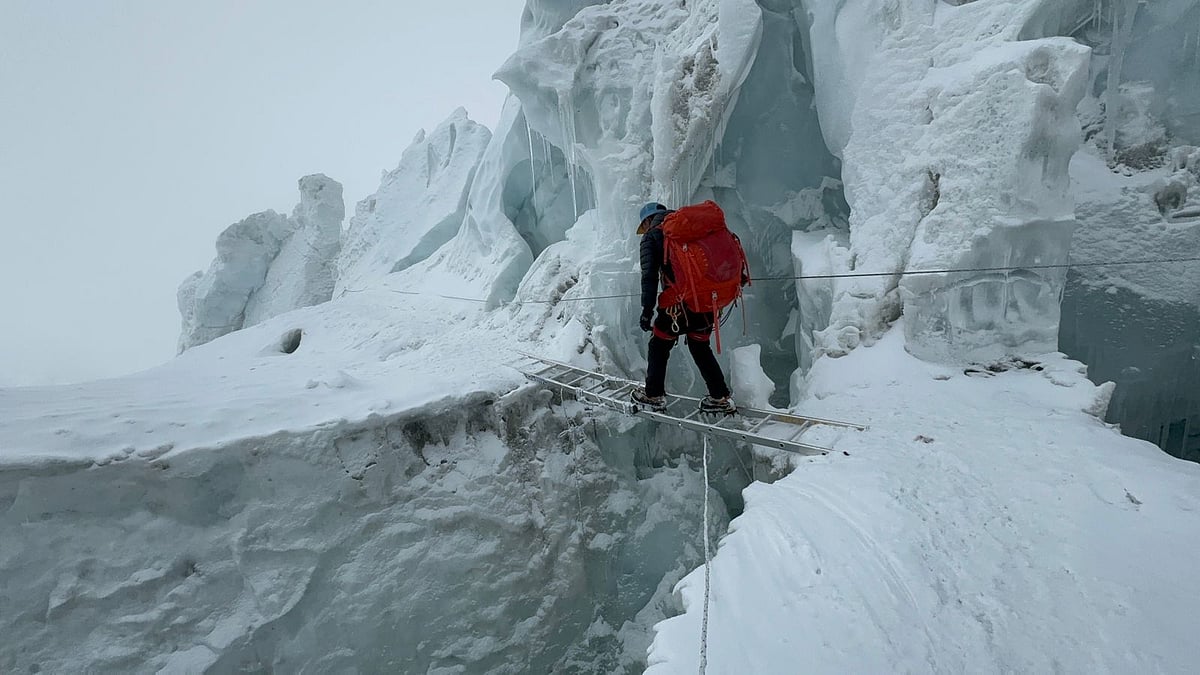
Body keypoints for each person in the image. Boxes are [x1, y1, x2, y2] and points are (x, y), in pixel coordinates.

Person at [631, 202, 737, 414]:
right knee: (699, 347)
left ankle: (653, 395)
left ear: (647, 220)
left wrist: (647, 311)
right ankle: (720, 396)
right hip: (708, 303)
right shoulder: (693, 232)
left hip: (678, 306)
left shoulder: (652, 237)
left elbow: (649, 277)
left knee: (659, 345)